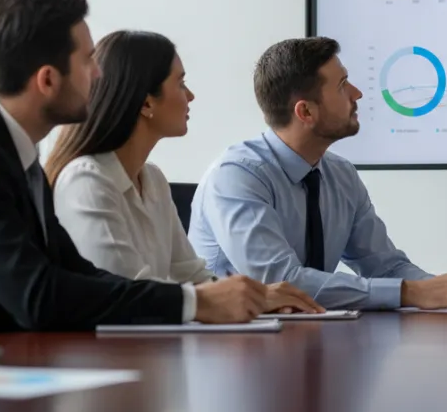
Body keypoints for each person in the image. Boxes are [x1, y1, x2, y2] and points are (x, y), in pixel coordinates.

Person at [0, 0, 270, 341]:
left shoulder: (12, 152)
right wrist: (193, 303)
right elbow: (37, 295)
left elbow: (76, 273)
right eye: (87, 60)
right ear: (47, 80)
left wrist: (210, 299)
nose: (99, 75)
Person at [187, 37, 447, 311]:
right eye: (342, 85)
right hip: (231, 351)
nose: (357, 93)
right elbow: (281, 282)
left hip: (309, 343)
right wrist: (411, 292)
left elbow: (384, 266)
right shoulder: (237, 175)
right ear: (305, 112)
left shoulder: (340, 173)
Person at [45, 30, 322, 314]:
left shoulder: (151, 179)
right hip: (107, 354)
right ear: (146, 103)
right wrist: (232, 299)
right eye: (181, 83)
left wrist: (255, 298)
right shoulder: (86, 180)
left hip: (151, 350)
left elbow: (190, 275)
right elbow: (127, 292)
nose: (190, 95)